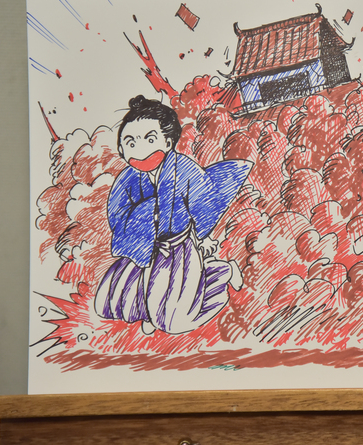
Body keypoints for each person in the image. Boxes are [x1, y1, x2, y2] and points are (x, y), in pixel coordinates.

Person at [94, 95, 253, 335]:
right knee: (111, 303)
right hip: (142, 245)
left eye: (150, 140)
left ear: (168, 142)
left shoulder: (183, 169)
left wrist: (200, 239)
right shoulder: (127, 179)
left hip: (178, 245)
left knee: (173, 321)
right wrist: (143, 220)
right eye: (131, 143)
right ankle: (149, 311)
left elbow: (203, 203)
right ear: (122, 150)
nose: (141, 150)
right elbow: (117, 215)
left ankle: (222, 272)